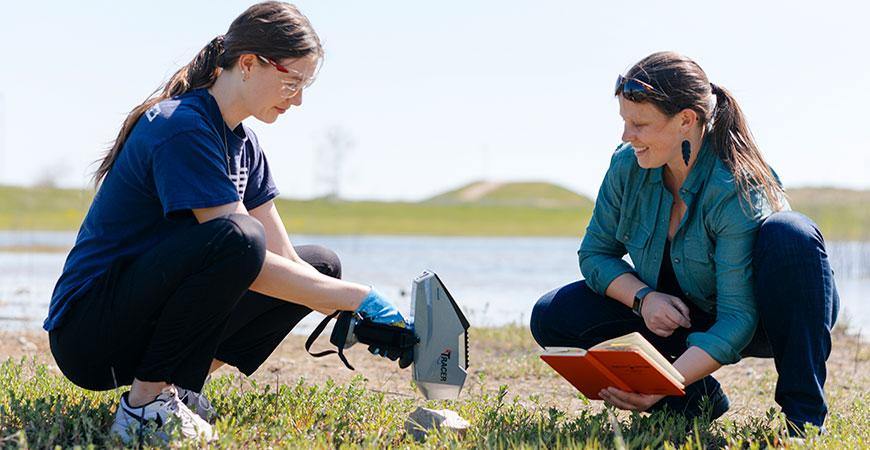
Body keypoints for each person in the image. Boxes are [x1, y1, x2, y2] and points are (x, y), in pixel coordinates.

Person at [44, 2, 408, 444]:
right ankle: (144, 405)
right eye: (292, 80)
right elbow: (242, 247)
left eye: (305, 85)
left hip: (140, 319)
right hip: (90, 334)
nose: (298, 98)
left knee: (321, 266)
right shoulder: (181, 126)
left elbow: (284, 260)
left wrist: (355, 312)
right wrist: (360, 298)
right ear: (249, 64)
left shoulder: (246, 145)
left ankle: (176, 387)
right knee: (240, 238)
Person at [530, 51, 838, 437]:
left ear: (686, 121)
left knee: (791, 233)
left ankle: (803, 422)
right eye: (625, 122)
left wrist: (664, 382)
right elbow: (595, 254)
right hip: (684, 310)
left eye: (640, 124)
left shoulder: (735, 185)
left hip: (765, 316)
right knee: (552, 314)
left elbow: (738, 317)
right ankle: (693, 402)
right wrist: (644, 298)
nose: (627, 136)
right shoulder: (627, 166)